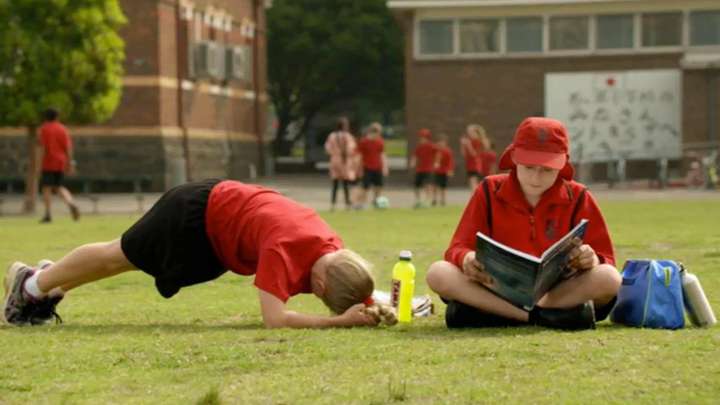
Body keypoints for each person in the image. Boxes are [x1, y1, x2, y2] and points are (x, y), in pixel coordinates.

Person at [3, 179, 385, 328]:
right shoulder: (282, 250)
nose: (316, 296)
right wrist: (340, 322)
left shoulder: (333, 248)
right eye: (321, 296)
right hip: (193, 215)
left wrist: (376, 302)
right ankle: (32, 283)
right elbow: (275, 320)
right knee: (117, 255)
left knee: (123, 263)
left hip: (216, 230)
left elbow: (350, 282)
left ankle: (45, 287)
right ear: (319, 283)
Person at [426, 117, 621, 330]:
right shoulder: (489, 189)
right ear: (514, 158)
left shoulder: (579, 196)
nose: (536, 177)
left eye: (547, 169)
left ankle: (501, 314)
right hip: (496, 288)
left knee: (610, 278)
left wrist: (591, 259)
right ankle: (540, 317)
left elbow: (606, 260)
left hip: (557, 291)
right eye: (528, 167)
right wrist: (466, 259)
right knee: (438, 272)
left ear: (563, 163)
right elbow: (457, 247)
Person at [37, 108, 80, 223]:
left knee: (46, 188)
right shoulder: (62, 129)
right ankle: (71, 203)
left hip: (48, 162)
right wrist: (71, 163)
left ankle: (48, 214)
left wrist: (38, 165)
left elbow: (42, 148)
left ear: (45, 117)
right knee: (59, 186)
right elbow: (68, 148)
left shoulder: (44, 129)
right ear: (57, 117)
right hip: (61, 162)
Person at [324, 117, 357, 211]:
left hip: (335, 160)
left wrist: (334, 153)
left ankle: (333, 204)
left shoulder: (332, 136)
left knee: (335, 184)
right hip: (344, 161)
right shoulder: (348, 136)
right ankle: (347, 204)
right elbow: (351, 149)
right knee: (345, 184)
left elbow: (327, 148)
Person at [356, 122, 389, 209]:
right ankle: (361, 204)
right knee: (365, 187)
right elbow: (359, 156)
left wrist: (385, 167)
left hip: (378, 167)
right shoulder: (364, 142)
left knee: (378, 186)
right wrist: (358, 168)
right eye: (378, 133)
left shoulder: (380, 141)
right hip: (367, 167)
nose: (379, 135)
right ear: (373, 132)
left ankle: (376, 202)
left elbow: (382, 154)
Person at [410, 128, 436, 208]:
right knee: (416, 185)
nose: (421, 139)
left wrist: (436, 163)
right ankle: (418, 200)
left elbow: (438, 154)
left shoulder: (432, 146)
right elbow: (415, 156)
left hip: (428, 169)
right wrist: (413, 162)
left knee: (428, 185)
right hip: (419, 169)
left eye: (423, 137)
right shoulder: (419, 147)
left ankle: (428, 200)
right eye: (421, 137)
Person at [432, 134, 454, 206]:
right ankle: (434, 199)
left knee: (443, 186)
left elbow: (450, 161)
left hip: (444, 171)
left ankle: (443, 200)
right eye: (440, 142)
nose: (441, 143)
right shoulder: (436, 150)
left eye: (442, 142)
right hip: (436, 171)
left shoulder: (448, 151)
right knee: (435, 185)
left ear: (445, 143)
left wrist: (450, 170)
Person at [459, 124, 484, 190]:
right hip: (469, 165)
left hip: (475, 165)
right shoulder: (470, 141)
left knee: (473, 182)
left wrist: (468, 144)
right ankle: (474, 197)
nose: (469, 134)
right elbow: (463, 154)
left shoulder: (478, 141)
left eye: (471, 132)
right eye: (468, 132)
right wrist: (462, 145)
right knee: (471, 182)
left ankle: (475, 197)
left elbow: (474, 154)